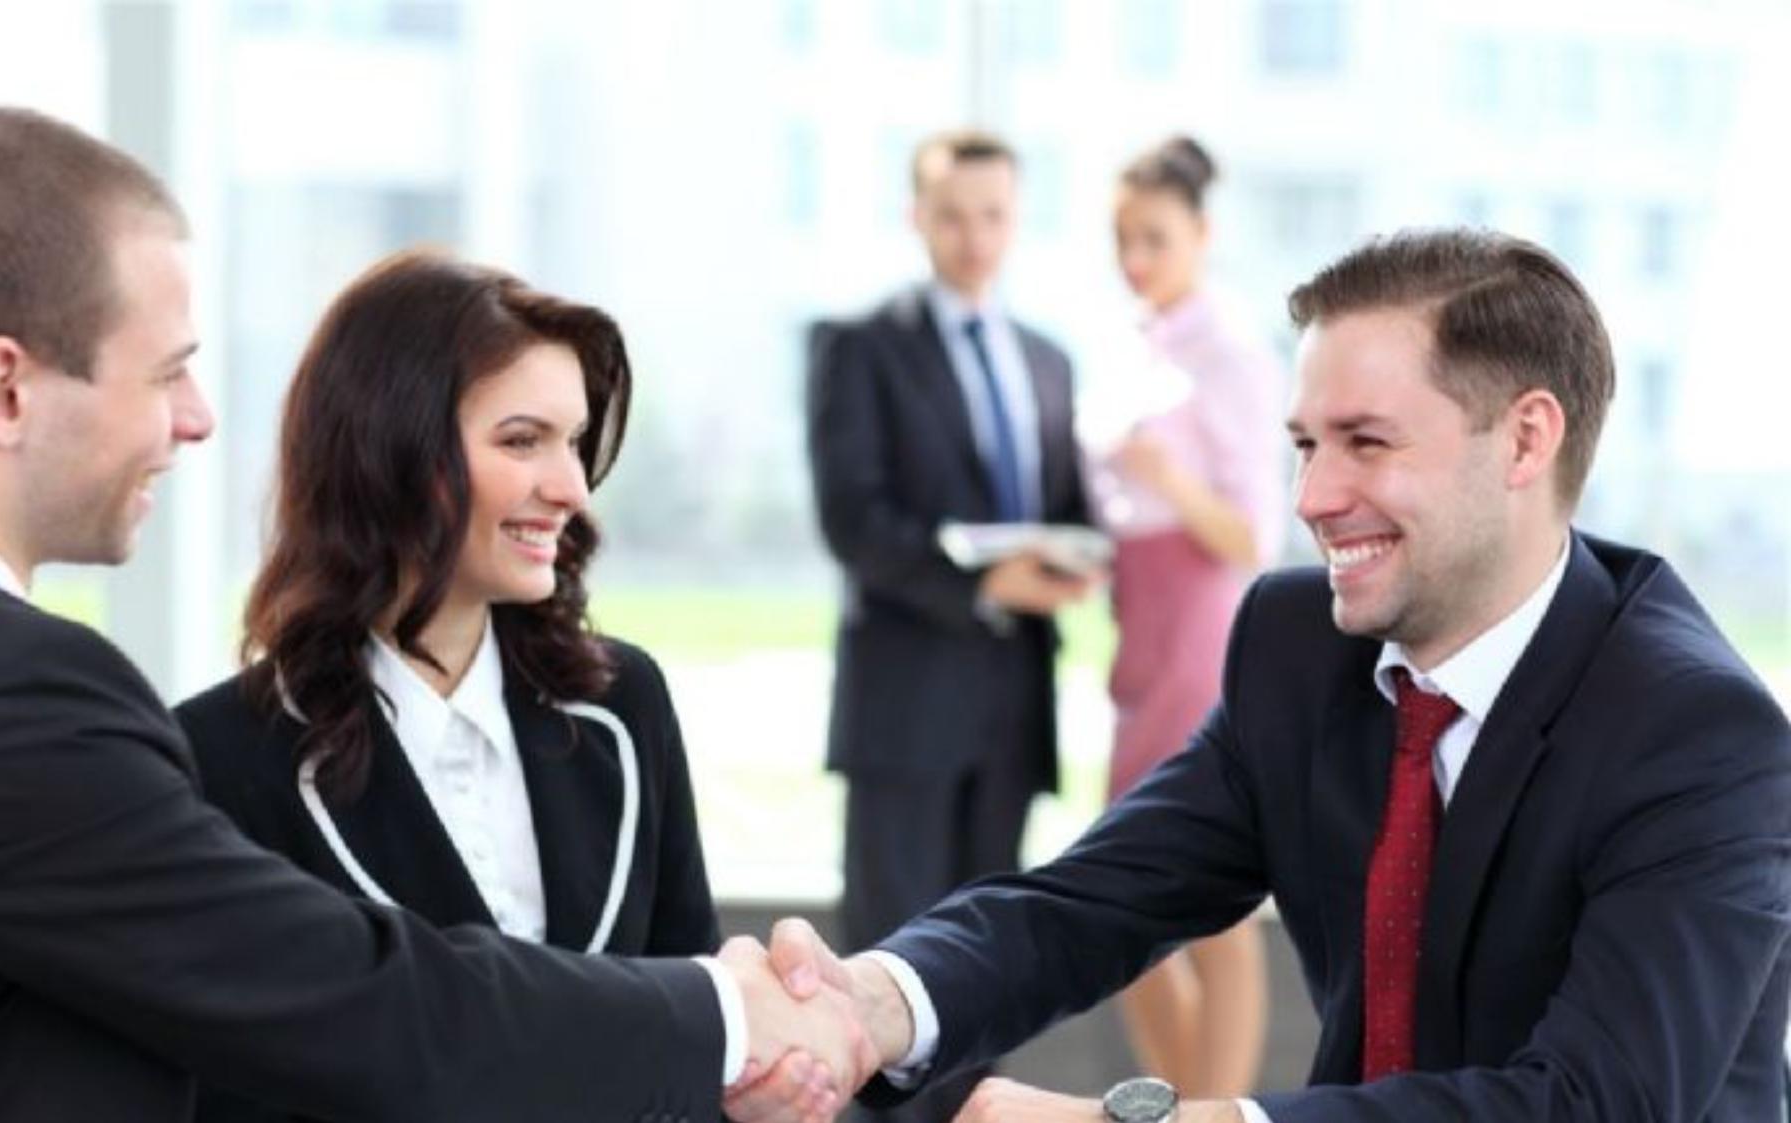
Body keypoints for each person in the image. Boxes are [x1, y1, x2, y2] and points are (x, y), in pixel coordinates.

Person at [0, 106, 867, 1123]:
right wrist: (722, 1010)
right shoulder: (14, 698)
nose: (199, 420)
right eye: (166, 373)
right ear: (4, 391)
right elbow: (364, 1005)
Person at [754, 227, 1791, 1122]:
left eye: (1363, 443)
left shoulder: (1697, 736)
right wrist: (870, 1003)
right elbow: (1087, 902)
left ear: (1524, 438)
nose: (1311, 496)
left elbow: (1591, 1104)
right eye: (1302, 444)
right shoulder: (1298, 646)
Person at [176, 250, 721, 1122]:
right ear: (391, 447)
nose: (571, 487)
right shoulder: (220, 759)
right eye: (522, 440)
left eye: (575, 442)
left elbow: (695, 1026)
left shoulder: (626, 704)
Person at [805, 127, 1094, 1123]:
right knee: (887, 962)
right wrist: (980, 585)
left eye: (992, 215)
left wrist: (1069, 561)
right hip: (904, 705)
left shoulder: (1048, 360)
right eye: (952, 214)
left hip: (1012, 705)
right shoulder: (860, 345)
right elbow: (854, 522)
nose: (974, 237)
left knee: (992, 961)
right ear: (915, 216)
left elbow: (1066, 504)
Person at [1089, 136, 1281, 1100]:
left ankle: (1215, 1111)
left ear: (1202, 235)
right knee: (1125, 903)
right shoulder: (1130, 344)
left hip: (1201, 633)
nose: (1135, 259)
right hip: (1138, 628)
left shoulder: (1232, 354)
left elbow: (1254, 534)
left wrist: (1165, 476)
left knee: (1211, 901)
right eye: (1122, 238)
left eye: (1155, 238)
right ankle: (1190, 1106)